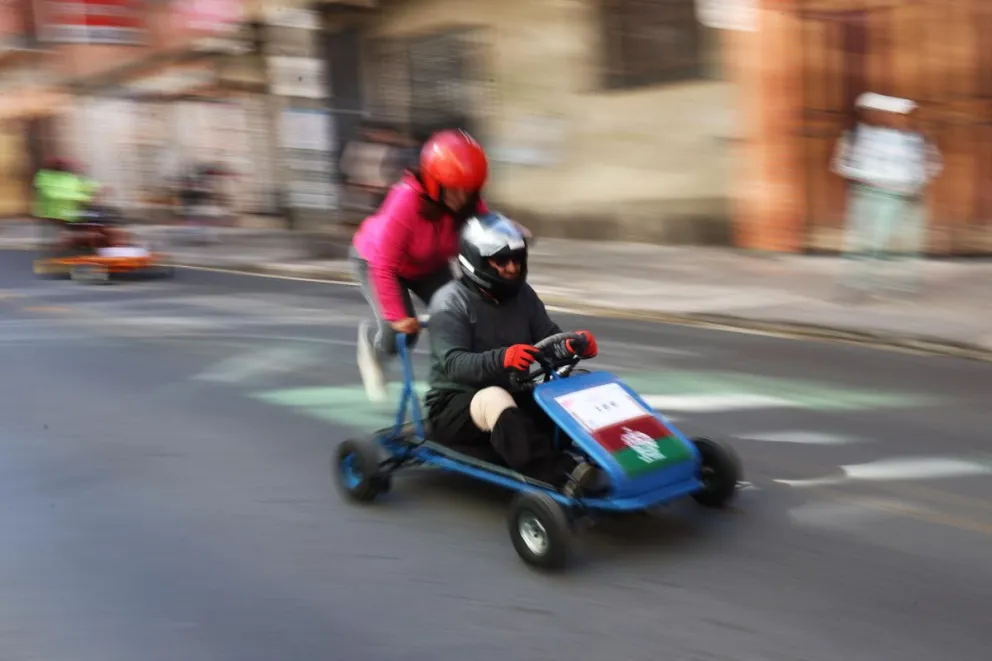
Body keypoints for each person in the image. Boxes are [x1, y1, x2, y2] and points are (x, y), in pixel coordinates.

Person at [424, 212, 606, 496]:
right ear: (477, 260)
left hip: (515, 391)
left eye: (517, 260)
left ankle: (620, 455)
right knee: (495, 398)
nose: (512, 268)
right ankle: (560, 475)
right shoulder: (449, 302)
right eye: (502, 261)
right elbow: (454, 365)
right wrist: (503, 358)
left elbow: (548, 338)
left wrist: (571, 346)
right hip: (456, 404)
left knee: (579, 384)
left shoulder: (523, 296)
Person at [351, 128, 491, 402]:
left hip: (429, 265)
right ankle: (373, 349)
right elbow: (383, 265)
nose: (461, 199)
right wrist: (398, 317)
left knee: (462, 318)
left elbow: (489, 228)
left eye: (468, 191)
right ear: (434, 182)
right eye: (453, 190)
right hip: (377, 261)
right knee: (401, 336)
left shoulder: (469, 202)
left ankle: (457, 383)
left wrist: (509, 232)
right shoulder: (405, 202)